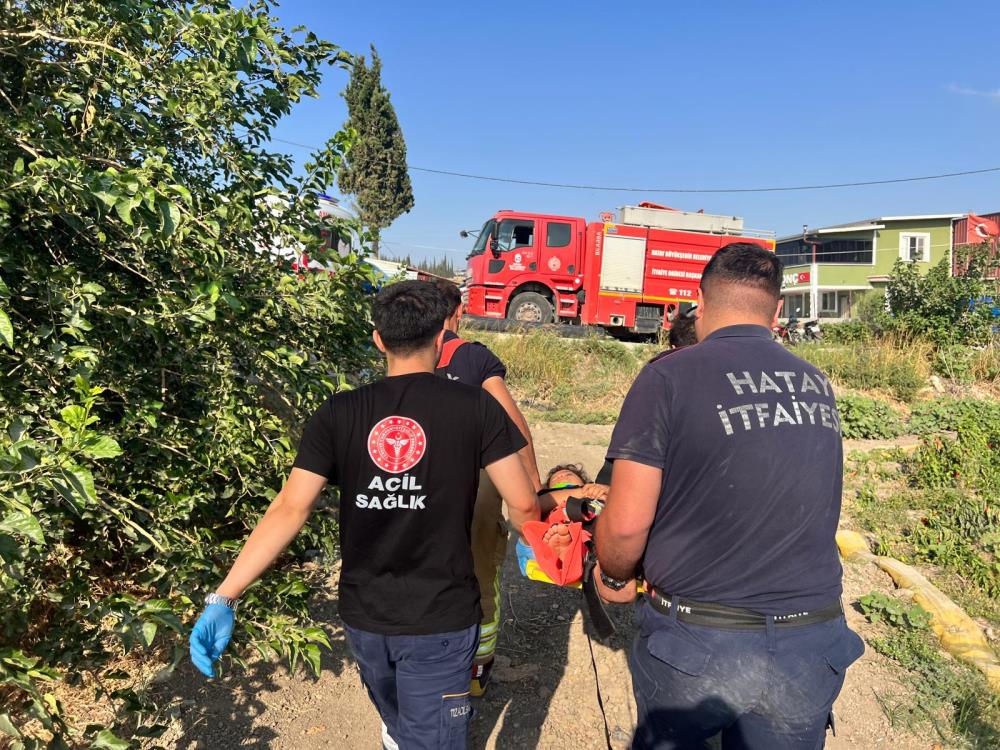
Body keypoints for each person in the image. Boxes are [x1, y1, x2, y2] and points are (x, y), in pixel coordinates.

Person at [188, 280, 540, 750]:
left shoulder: (339, 411)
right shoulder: (475, 407)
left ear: (378, 339)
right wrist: (534, 538)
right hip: (441, 617)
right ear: (442, 337)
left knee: (400, 725)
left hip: (364, 617)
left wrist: (225, 595)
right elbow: (521, 502)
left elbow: (291, 506)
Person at [594, 243, 864, 749]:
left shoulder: (667, 376)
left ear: (699, 300)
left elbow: (627, 523)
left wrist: (611, 573)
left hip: (699, 644)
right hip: (810, 642)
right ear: (777, 309)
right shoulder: (816, 382)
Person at [431, 279, 541, 697]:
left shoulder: (406, 353)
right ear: (456, 313)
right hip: (476, 478)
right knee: (480, 568)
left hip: (422, 478)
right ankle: (477, 669)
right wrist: (532, 482)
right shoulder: (472, 357)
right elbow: (511, 422)